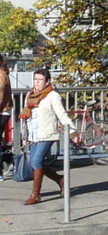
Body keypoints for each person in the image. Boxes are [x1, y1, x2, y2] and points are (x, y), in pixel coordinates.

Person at [18, 69, 77, 205]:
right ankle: (60, 180)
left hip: (47, 134)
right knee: (36, 163)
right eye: (35, 79)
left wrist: (73, 132)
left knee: (36, 161)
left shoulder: (52, 95)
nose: (37, 82)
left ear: (47, 81)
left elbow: (62, 115)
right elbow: (27, 118)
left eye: (40, 80)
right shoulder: (30, 94)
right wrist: (25, 135)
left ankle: (36, 195)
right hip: (33, 135)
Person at [0, 55, 11, 180]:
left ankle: (1, 170)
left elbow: (0, 97)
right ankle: (8, 160)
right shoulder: (3, 73)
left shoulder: (0, 75)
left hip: (2, 112)